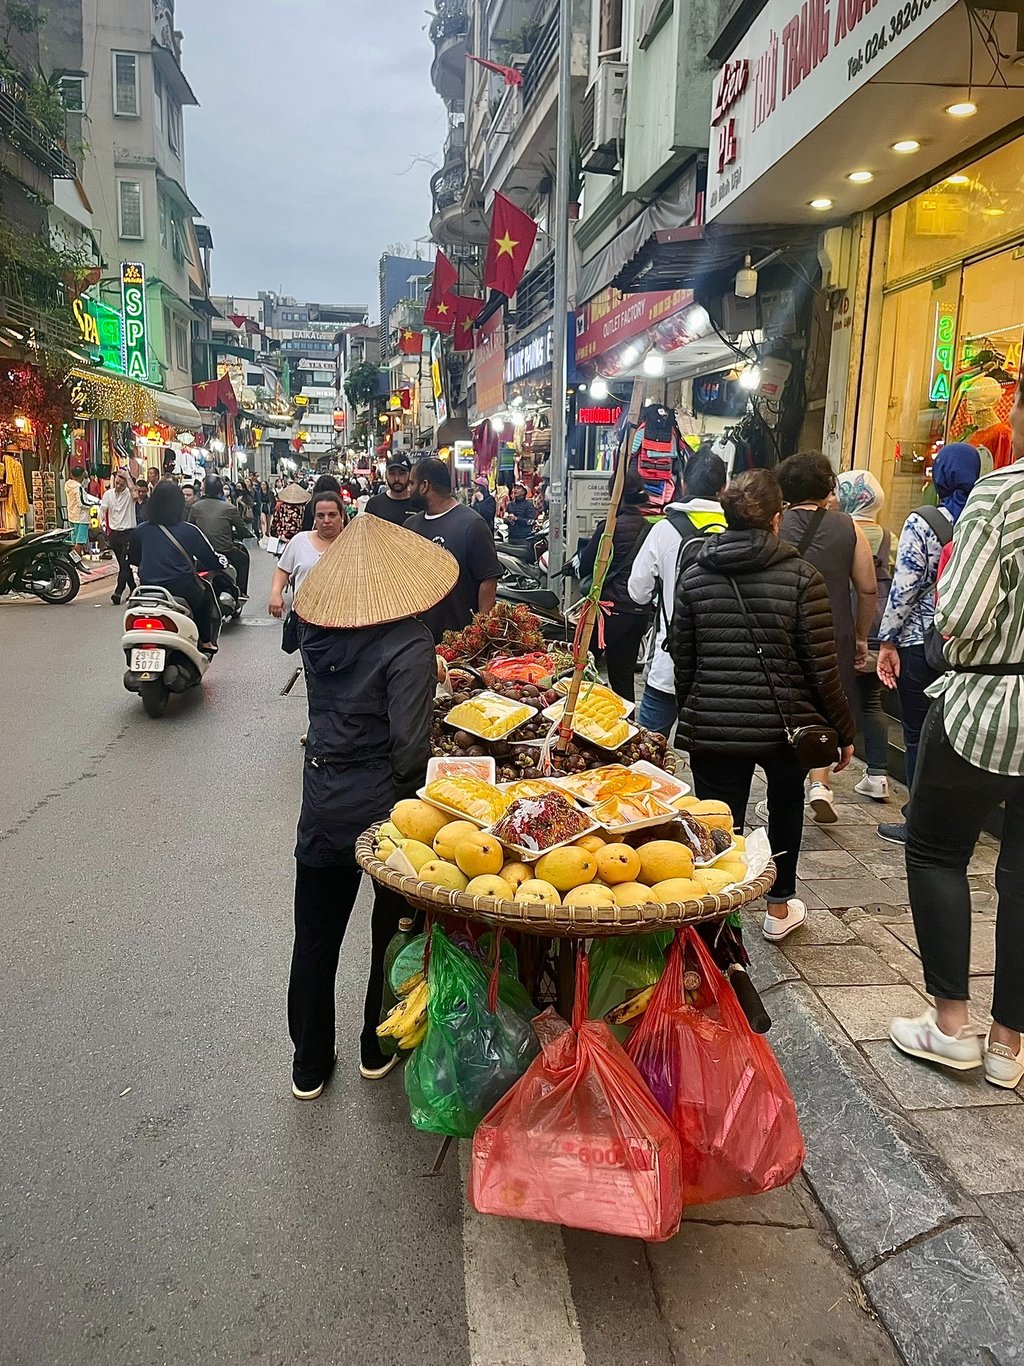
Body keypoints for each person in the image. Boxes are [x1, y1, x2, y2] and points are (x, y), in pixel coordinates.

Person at [287, 514, 459, 1094]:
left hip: (322, 798)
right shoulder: (410, 640)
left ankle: (309, 1064)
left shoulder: (314, 629)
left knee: (314, 937)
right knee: (390, 933)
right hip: (385, 808)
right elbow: (410, 750)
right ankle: (374, 1045)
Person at [890, 380, 1024, 1088]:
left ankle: (951, 1026)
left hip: (986, 702)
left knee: (936, 851)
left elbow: (961, 614)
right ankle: (1009, 1044)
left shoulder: (1002, 494)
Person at [670, 469, 856, 941]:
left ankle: (717, 917)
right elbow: (821, 666)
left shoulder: (694, 576)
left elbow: (683, 659)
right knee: (786, 806)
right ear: (777, 519)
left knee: (718, 817)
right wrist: (843, 729)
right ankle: (778, 908)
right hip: (785, 725)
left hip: (713, 719)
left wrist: (695, 706)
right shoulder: (802, 578)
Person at [875, 442, 981, 844]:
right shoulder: (983, 516)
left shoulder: (925, 522)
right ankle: (954, 820)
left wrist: (887, 641)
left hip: (921, 641)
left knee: (918, 733)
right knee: (955, 735)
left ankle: (918, 822)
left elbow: (905, 588)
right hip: (968, 647)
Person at [777, 451, 877, 824]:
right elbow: (867, 589)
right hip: (833, 632)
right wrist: (862, 636)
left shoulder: (776, 522)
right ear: (827, 488)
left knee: (789, 701)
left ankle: (786, 774)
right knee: (824, 701)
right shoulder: (850, 527)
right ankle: (820, 782)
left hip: (782, 630)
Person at [628, 450, 728, 736]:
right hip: (723, 671)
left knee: (646, 754)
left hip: (670, 665)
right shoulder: (740, 528)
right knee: (713, 762)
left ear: (683, 483)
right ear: (724, 488)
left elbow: (637, 592)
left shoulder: (664, 530)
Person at [836, 469, 892, 802]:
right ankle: (879, 774)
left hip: (846, 626)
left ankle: (819, 779)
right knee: (872, 702)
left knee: (832, 698)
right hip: (877, 630)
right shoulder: (889, 536)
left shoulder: (842, 533)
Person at [576, 472, 653, 702]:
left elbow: (587, 562)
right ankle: (625, 726)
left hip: (611, 611)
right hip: (639, 612)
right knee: (623, 677)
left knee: (582, 665)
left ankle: (586, 717)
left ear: (614, 494)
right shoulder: (649, 528)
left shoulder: (610, 527)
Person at [406, 457, 501, 641]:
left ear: (425, 486)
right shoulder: (410, 526)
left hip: (458, 642)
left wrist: (481, 633)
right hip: (415, 640)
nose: (409, 489)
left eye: (412, 483)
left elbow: (488, 579)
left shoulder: (472, 524)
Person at [128, 480, 224, 652]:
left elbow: (134, 560)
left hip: (148, 590)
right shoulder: (189, 531)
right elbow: (210, 559)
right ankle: (205, 641)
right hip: (183, 589)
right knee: (205, 598)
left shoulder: (140, 531)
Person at [269, 491, 347, 618]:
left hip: (343, 622)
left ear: (342, 515)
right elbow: (282, 569)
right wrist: (276, 593)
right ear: (315, 518)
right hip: (303, 621)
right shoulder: (300, 541)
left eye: (332, 515)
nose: (326, 520)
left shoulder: (353, 544)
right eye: (321, 516)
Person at [188, 475, 250, 598]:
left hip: (201, 552)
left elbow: (191, 528)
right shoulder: (229, 508)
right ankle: (241, 592)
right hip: (224, 550)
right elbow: (242, 531)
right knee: (243, 560)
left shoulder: (196, 507)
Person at [99, 466, 137, 605]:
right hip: (114, 535)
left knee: (125, 562)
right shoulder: (108, 494)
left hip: (129, 534)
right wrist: (102, 519)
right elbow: (103, 510)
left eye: (122, 483)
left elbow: (136, 496)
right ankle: (133, 588)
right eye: (117, 482)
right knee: (123, 565)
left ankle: (118, 591)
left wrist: (128, 477)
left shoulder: (130, 494)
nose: (118, 485)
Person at [364, 458, 414, 526]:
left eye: (401, 474)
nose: (397, 479)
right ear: (386, 475)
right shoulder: (374, 504)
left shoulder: (419, 503)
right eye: (392, 474)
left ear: (410, 475)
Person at [64, 466, 95, 555]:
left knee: (74, 541)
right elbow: (82, 502)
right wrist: (92, 504)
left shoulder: (68, 485)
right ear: (82, 475)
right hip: (81, 517)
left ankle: (73, 560)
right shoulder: (78, 488)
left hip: (72, 515)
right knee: (80, 541)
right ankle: (77, 560)